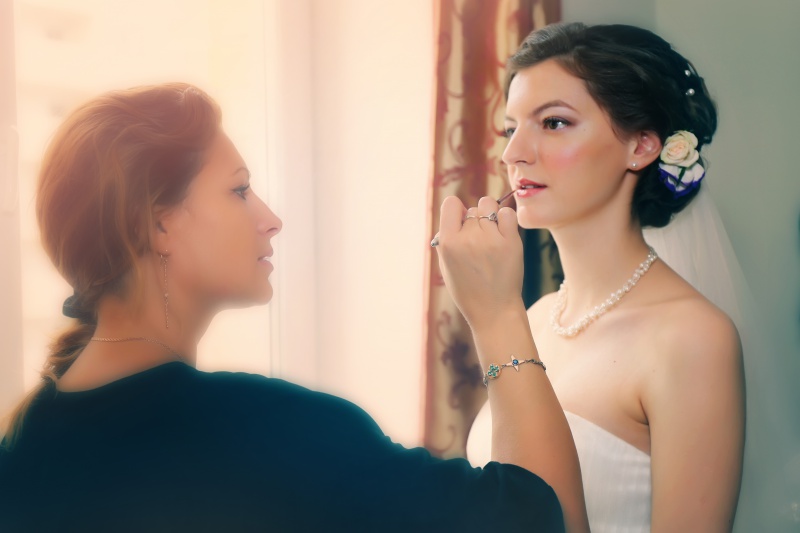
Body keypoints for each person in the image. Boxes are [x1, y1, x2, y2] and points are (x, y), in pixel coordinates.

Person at [0, 82, 589, 532]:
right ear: (157, 224)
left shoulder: (24, 445)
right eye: (238, 190)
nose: (270, 219)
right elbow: (545, 519)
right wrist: (496, 313)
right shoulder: (268, 431)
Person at [466, 23, 746, 532]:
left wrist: (493, 315)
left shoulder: (692, 338)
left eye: (553, 122)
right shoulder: (536, 318)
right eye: (510, 129)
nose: (513, 154)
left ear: (641, 146)